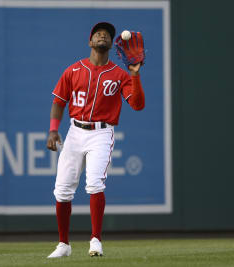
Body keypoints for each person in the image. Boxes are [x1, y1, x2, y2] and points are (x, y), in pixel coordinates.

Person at [46, 22, 145, 258]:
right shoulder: (73, 70)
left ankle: (96, 240)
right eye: (98, 34)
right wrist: (52, 130)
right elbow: (59, 101)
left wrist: (135, 75)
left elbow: (138, 105)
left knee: (95, 184)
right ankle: (63, 245)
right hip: (75, 131)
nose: (103, 36)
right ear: (90, 42)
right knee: (62, 189)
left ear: (112, 44)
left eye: (107, 35)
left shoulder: (120, 74)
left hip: (102, 133)